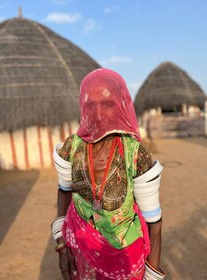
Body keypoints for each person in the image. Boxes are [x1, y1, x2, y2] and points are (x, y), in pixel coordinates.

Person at [51, 68, 166, 280]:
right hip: (80, 252)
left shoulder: (135, 154)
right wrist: (61, 242)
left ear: (121, 106)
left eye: (107, 104)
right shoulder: (71, 148)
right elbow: (64, 190)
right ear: (82, 108)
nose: (98, 114)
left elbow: (154, 223)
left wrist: (151, 276)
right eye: (90, 106)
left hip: (124, 257)